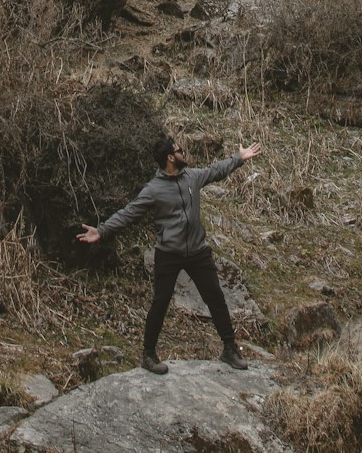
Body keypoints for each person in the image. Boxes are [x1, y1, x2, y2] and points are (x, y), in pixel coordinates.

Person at [76, 135, 262, 374]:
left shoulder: (192, 177)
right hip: (169, 253)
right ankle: (149, 355)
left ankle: (229, 348)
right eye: (179, 150)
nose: (183, 152)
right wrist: (101, 230)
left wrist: (239, 158)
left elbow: (216, 170)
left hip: (197, 251)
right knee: (160, 303)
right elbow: (129, 212)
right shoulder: (154, 190)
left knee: (215, 297)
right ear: (169, 158)